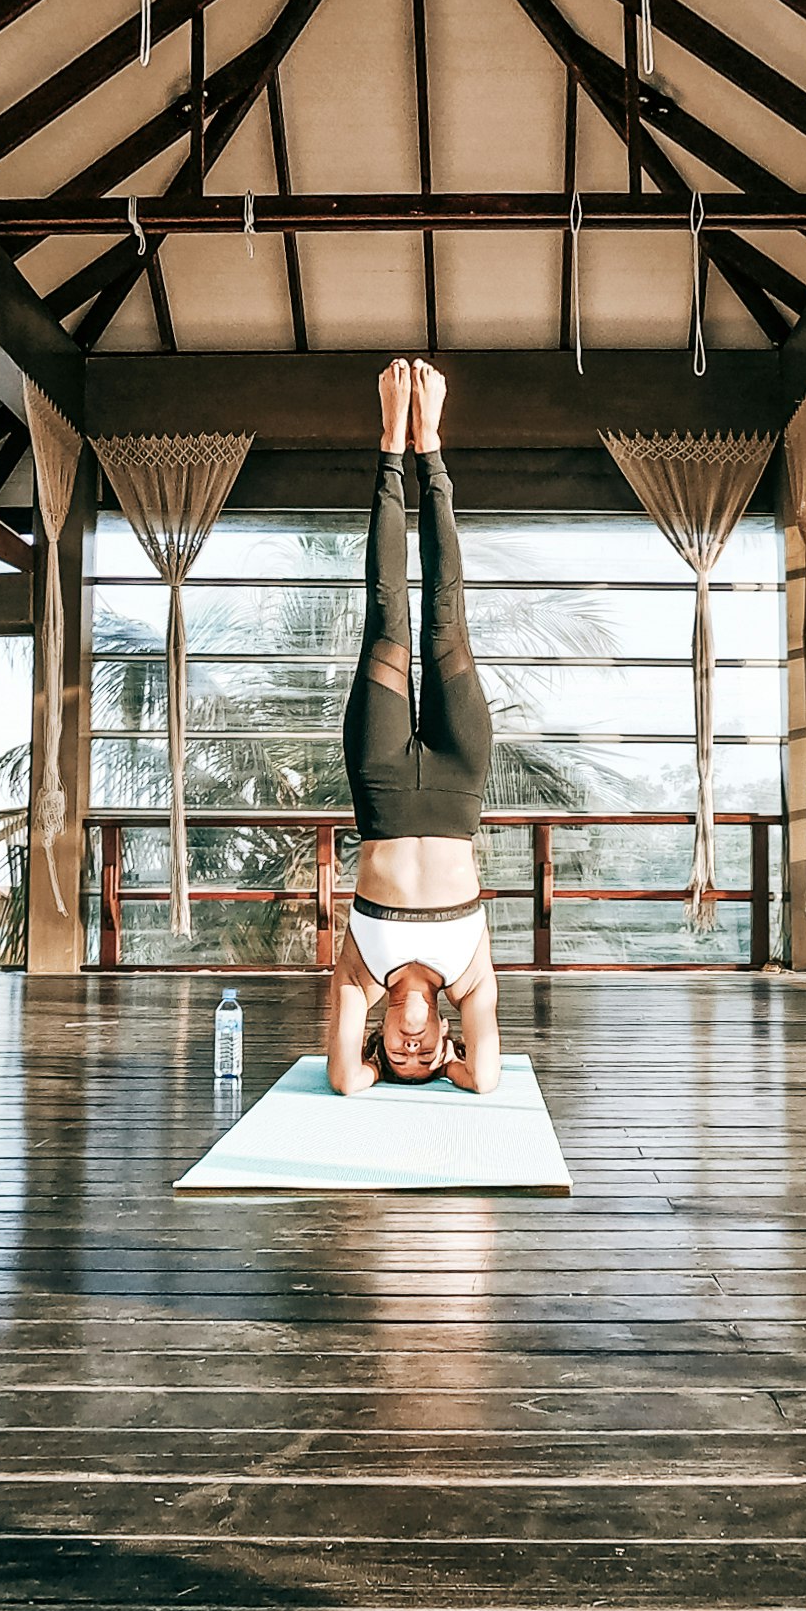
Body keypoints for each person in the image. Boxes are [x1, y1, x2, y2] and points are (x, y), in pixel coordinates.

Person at [326, 359, 501, 1095]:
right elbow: (486, 1078)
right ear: (442, 1040)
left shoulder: (360, 974)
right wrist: (457, 1067)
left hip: (383, 788)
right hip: (459, 782)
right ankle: (433, 449)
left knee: (387, 612)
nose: (408, 1049)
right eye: (423, 1057)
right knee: (446, 619)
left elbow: (343, 1079)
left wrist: (368, 1070)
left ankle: (391, 444)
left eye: (394, 1056)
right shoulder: (469, 978)